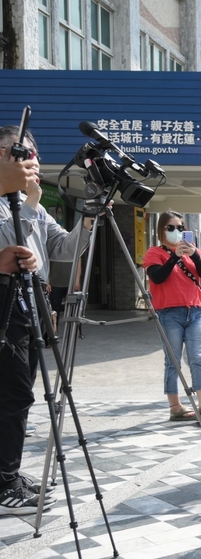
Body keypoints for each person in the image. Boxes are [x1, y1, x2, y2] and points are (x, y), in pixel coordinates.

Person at [0, 127, 93, 515]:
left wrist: (87, 222)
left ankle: (9, 473)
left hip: (32, 305)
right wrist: (28, 204)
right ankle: (5, 484)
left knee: (19, 393)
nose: (29, 161)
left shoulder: (30, 202)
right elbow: (11, 245)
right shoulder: (16, 204)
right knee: (13, 393)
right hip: (6, 302)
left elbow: (63, 248)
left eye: (33, 155)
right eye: (18, 153)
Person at [142, 211, 201, 422]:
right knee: (172, 360)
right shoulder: (154, 253)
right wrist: (175, 257)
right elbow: (157, 276)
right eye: (171, 227)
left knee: (198, 358)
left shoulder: (195, 251)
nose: (176, 231)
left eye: (180, 227)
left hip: (195, 310)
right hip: (168, 312)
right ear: (161, 230)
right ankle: (175, 406)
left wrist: (192, 255)